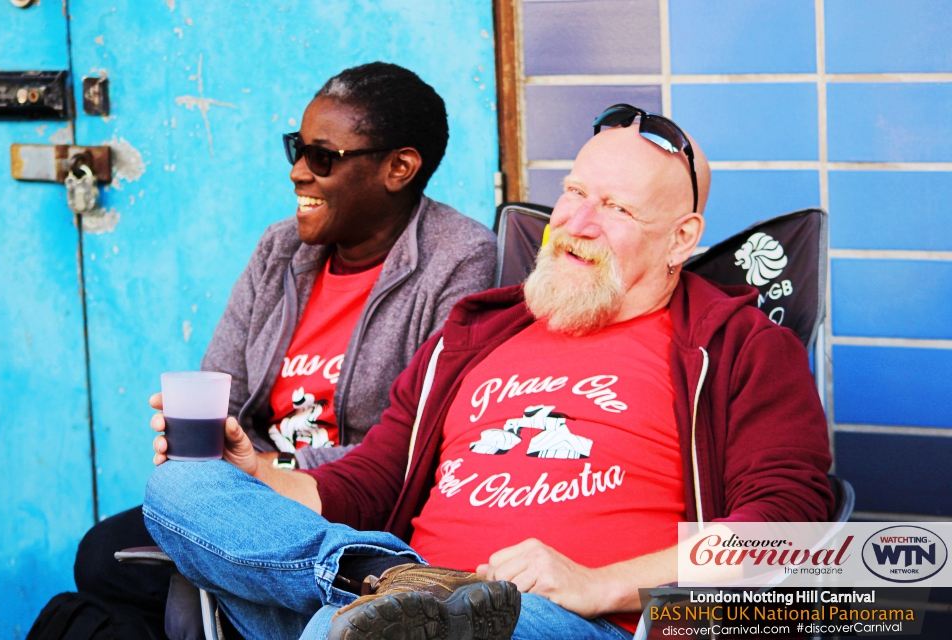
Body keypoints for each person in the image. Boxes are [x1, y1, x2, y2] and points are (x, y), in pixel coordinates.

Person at [142, 104, 834, 640]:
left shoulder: (738, 346)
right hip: (384, 595)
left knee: (352, 629)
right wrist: (260, 474)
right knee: (183, 482)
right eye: (574, 192)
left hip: (562, 623)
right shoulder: (477, 331)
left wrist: (600, 583)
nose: (576, 223)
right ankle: (389, 580)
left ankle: (389, 598)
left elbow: (788, 530)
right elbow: (373, 479)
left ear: (682, 237)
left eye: (616, 208)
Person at [73, 62, 498, 637]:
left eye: (323, 157)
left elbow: (417, 440)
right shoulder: (280, 249)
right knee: (103, 559)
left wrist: (278, 469)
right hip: (248, 489)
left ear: (399, 167)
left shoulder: (459, 258)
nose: (298, 172)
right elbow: (221, 387)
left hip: (345, 506)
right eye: (297, 148)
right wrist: (209, 447)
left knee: (124, 579)